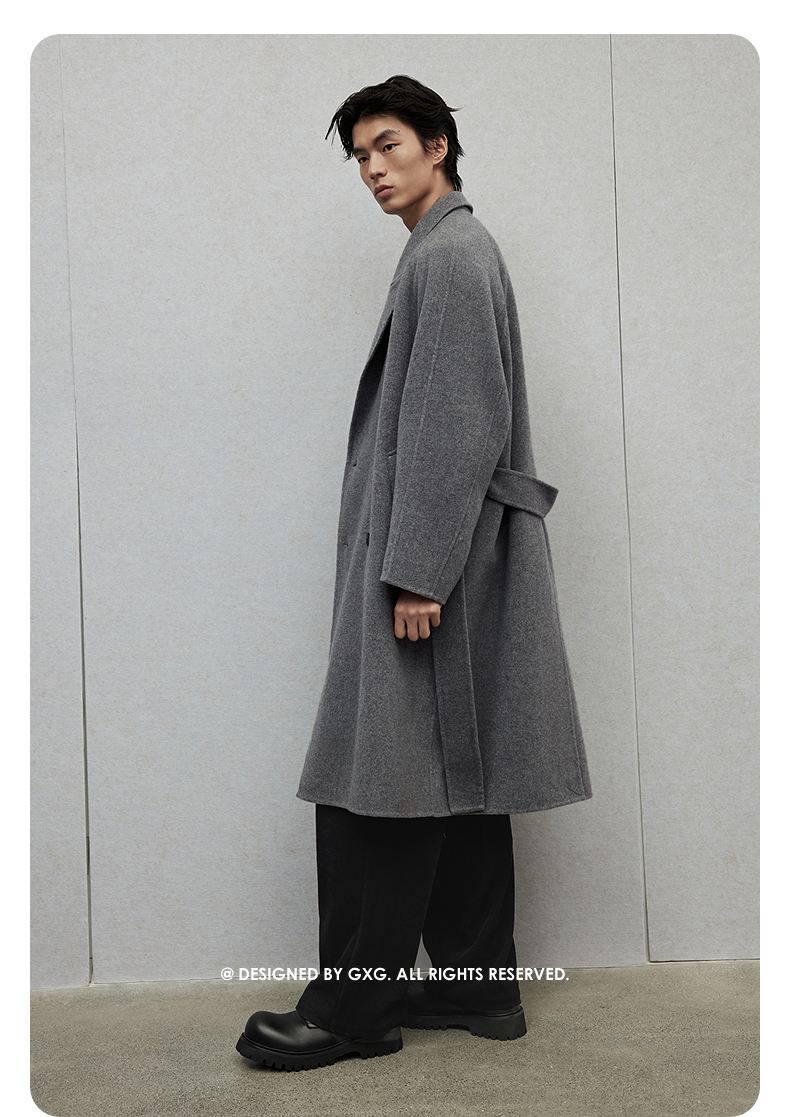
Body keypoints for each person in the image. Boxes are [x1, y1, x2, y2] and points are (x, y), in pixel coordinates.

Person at [236, 74, 591, 1072]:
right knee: (452, 775)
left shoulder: (451, 255)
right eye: (360, 155)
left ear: (438, 145)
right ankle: (479, 985)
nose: (372, 168)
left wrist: (420, 571)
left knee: (384, 785)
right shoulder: (446, 252)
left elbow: (456, 424)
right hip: (450, 562)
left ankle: (353, 1012)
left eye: (388, 144)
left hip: (435, 571)